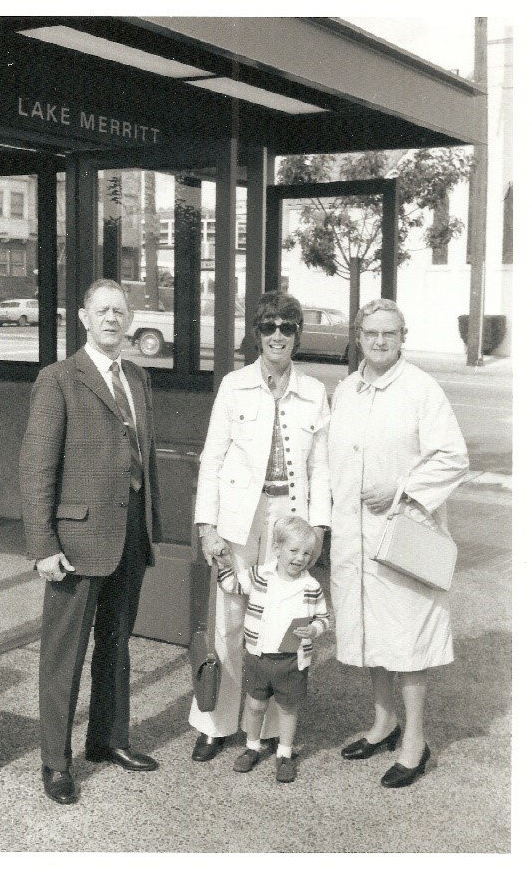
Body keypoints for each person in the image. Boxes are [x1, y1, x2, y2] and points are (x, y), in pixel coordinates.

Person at [19, 278, 163, 805]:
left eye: (119, 311)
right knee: (64, 655)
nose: (111, 319)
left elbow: (144, 458)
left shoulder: (138, 378)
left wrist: (150, 527)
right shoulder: (59, 379)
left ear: (129, 319)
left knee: (116, 646)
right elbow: (36, 467)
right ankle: (55, 762)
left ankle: (108, 739)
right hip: (75, 544)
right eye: (101, 311)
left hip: (128, 536)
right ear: (83, 318)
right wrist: (42, 546)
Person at [328, 298, 468, 788]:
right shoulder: (345, 390)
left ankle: (416, 742)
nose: (380, 341)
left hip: (404, 536)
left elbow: (453, 458)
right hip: (355, 538)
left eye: (390, 333)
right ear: (358, 336)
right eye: (371, 333)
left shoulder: (420, 390)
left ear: (402, 336)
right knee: (372, 633)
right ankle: (384, 724)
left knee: (407, 640)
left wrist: (401, 488)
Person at [191, 291, 331, 761]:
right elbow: (211, 460)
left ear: (297, 336)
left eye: (287, 328)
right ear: (257, 333)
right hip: (238, 517)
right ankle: (215, 722)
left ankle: (268, 727)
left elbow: (322, 468)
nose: (277, 336)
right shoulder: (234, 385)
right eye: (269, 327)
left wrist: (320, 529)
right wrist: (207, 526)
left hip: (289, 520)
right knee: (230, 618)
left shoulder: (313, 392)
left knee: (282, 619)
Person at [217, 516, 330, 783]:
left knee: (288, 709)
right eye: (293, 550)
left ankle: (285, 753)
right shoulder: (259, 576)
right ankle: (252, 747)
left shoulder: (311, 587)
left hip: (291, 660)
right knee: (255, 705)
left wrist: (314, 630)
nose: (300, 558)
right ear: (277, 549)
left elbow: (324, 618)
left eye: (306, 553)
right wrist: (224, 563)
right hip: (257, 657)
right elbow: (230, 585)